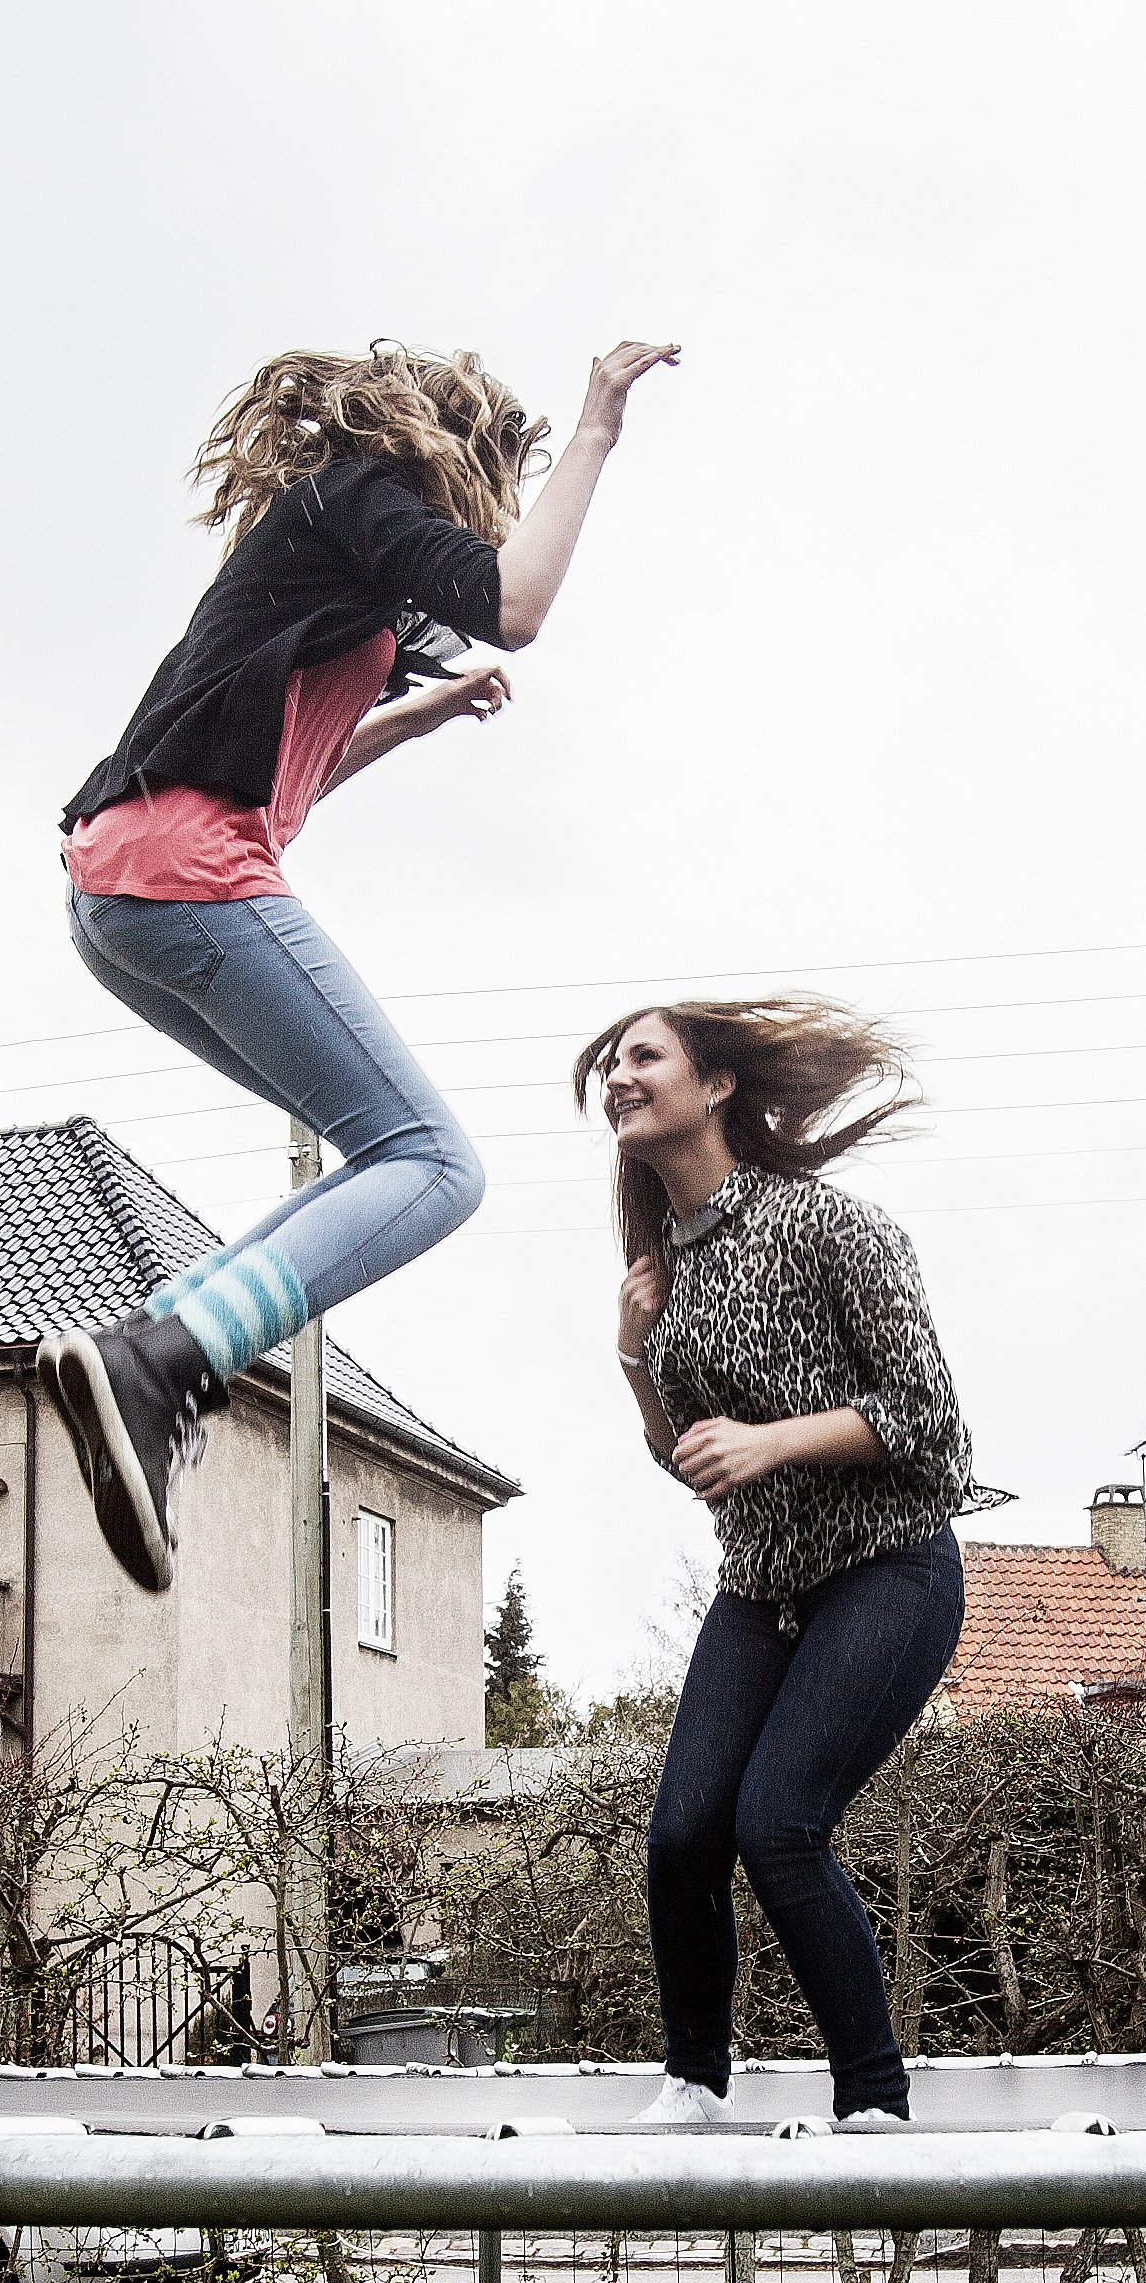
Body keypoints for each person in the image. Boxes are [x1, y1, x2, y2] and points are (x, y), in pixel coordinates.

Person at [42, 337, 680, 1590]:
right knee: (436, 1166)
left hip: (124, 893)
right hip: (186, 873)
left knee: (375, 1155)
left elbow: (294, 782)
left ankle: (158, 1352)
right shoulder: (357, 497)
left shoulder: (321, 564)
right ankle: (164, 1360)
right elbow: (519, 604)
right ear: (463, 458)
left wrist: (420, 710)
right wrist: (597, 427)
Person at [581, 999, 986, 2129]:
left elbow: (934, 1425)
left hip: (886, 1564)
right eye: (611, 1064)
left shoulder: (827, 1228)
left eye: (643, 1056)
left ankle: (875, 2102)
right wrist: (631, 1355)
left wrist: (773, 1440)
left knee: (779, 1825)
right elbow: (688, 1462)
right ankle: (694, 2083)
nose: (619, 1075)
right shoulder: (663, 1270)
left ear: (714, 1085)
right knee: (681, 1834)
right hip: (762, 1582)